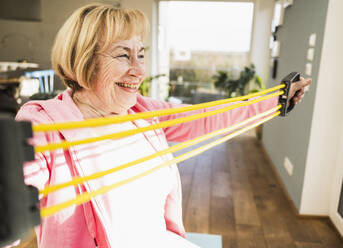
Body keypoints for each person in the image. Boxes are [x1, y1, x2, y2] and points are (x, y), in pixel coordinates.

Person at [15, 3, 311, 248]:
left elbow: (205, 117)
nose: (140, 69)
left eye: (141, 54)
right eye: (123, 55)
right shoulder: (43, 122)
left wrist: (275, 101)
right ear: (83, 61)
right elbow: (17, 188)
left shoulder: (142, 111)